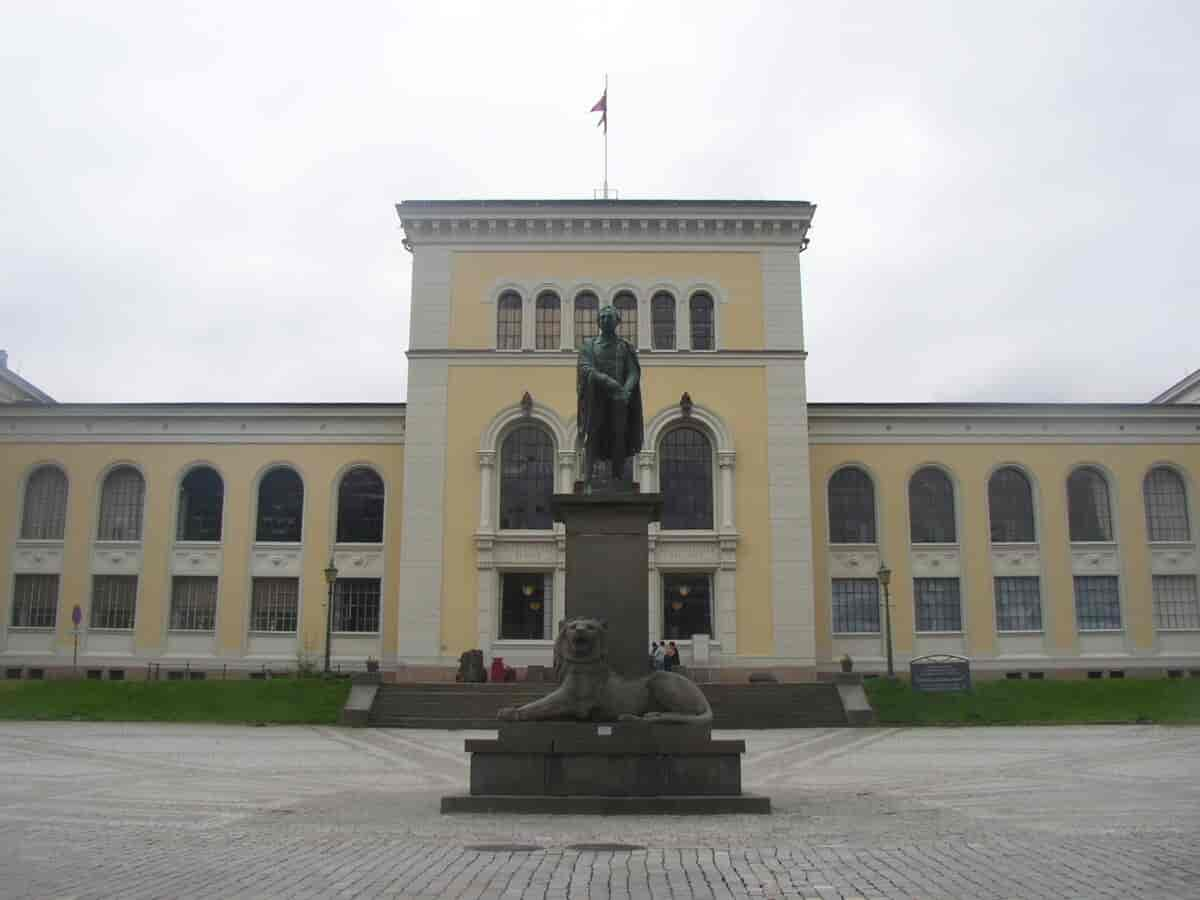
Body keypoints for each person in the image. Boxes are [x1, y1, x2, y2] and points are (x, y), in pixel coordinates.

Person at [576, 305, 644, 490]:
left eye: (609, 317)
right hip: (595, 399)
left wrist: (626, 391)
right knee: (593, 436)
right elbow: (585, 368)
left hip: (619, 400)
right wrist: (608, 381)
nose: (606, 320)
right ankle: (588, 481)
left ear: (617, 321)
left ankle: (617, 478)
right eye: (603, 317)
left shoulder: (624, 347)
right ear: (598, 322)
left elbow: (633, 371)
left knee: (619, 436)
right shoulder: (589, 346)